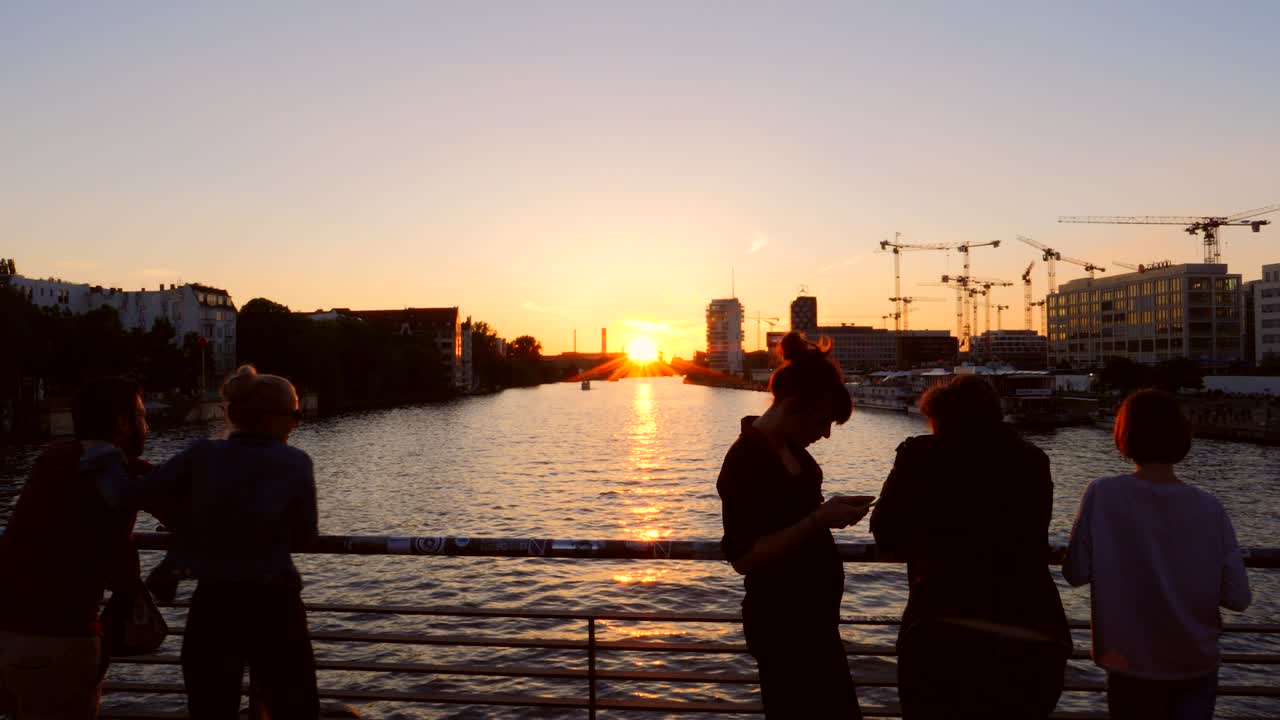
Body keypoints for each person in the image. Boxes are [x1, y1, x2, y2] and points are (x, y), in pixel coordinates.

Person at [101, 365, 319, 719]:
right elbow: (306, 535)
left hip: (215, 604)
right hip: (275, 605)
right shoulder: (295, 462)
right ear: (271, 419)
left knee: (210, 707)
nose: (297, 423)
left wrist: (104, 458)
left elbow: (127, 495)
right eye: (294, 415)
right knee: (294, 707)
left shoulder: (201, 454)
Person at [870, 375, 1070, 719]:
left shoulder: (918, 455)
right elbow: (1034, 533)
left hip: (941, 634)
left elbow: (884, 532)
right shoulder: (1032, 460)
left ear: (938, 418)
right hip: (1030, 633)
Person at [1063, 389, 1251, 719]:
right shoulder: (1210, 507)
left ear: (1124, 435)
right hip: (1196, 662)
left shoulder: (1103, 494)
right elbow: (1237, 596)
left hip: (1130, 661)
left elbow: (1076, 572)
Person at [716, 331, 873, 718]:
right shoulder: (745, 462)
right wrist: (820, 519)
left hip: (817, 626)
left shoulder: (796, 455)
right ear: (793, 406)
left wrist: (830, 516)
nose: (825, 433)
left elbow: (798, 522)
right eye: (823, 421)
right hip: (783, 629)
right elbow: (745, 556)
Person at [0, 376, 152, 718]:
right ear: (121, 422)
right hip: (56, 639)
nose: (148, 425)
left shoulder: (51, 460)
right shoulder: (126, 474)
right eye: (141, 416)